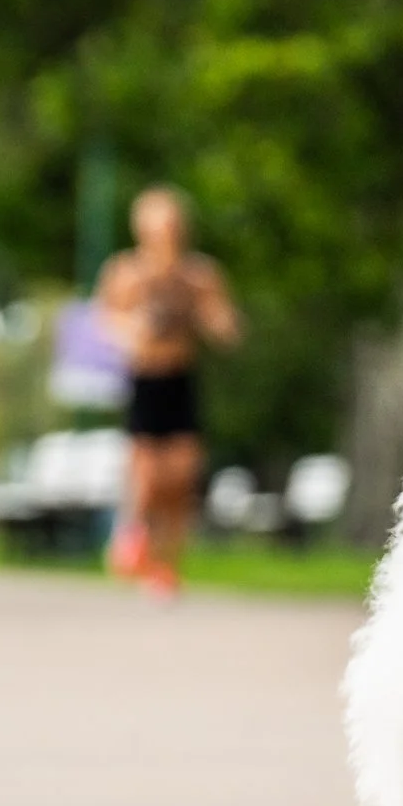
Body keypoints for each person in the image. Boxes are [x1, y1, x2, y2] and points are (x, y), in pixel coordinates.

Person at [93, 186, 240, 597]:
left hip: (181, 377)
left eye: (173, 226)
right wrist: (130, 330)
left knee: (182, 476)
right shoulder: (126, 271)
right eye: (160, 227)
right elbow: (104, 319)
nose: (168, 235)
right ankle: (131, 536)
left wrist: (221, 325)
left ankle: (165, 567)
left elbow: (223, 320)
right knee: (145, 472)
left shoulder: (199, 274)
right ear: (142, 230)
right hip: (144, 378)